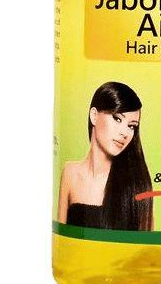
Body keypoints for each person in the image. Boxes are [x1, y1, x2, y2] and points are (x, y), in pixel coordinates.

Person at [58, 81, 153, 231]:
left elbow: (146, 243)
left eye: (131, 126)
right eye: (117, 118)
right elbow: (61, 238)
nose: (125, 133)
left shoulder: (138, 184)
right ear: (94, 116)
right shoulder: (70, 173)